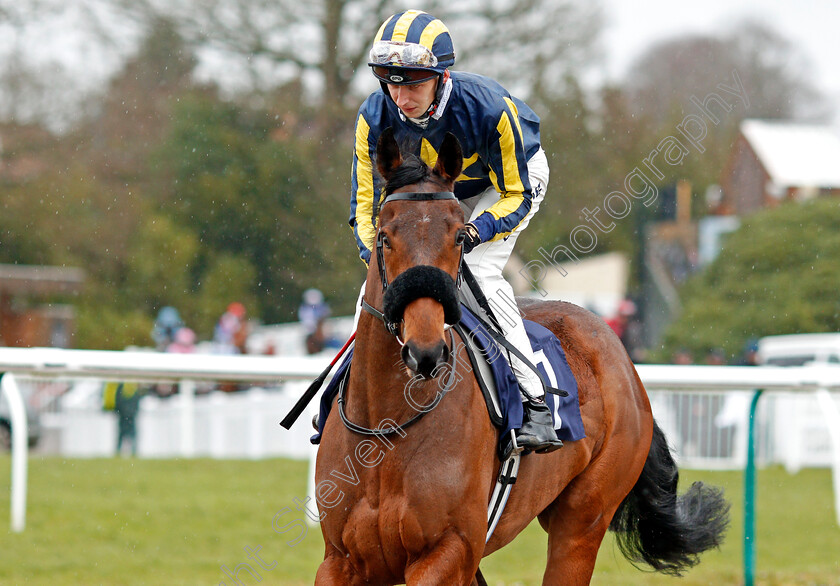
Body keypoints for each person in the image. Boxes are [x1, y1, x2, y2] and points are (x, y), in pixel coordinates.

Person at [349, 10, 561, 453]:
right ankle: (345, 393)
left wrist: (477, 230)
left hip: (506, 184)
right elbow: (367, 208)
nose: (400, 97)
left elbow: (516, 192)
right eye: (390, 82)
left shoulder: (486, 107)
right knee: (373, 287)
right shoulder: (373, 117)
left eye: (412, 84)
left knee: (477, 271)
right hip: (431, 194)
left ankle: (536, 399)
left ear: (441, 77)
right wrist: (381, 262)